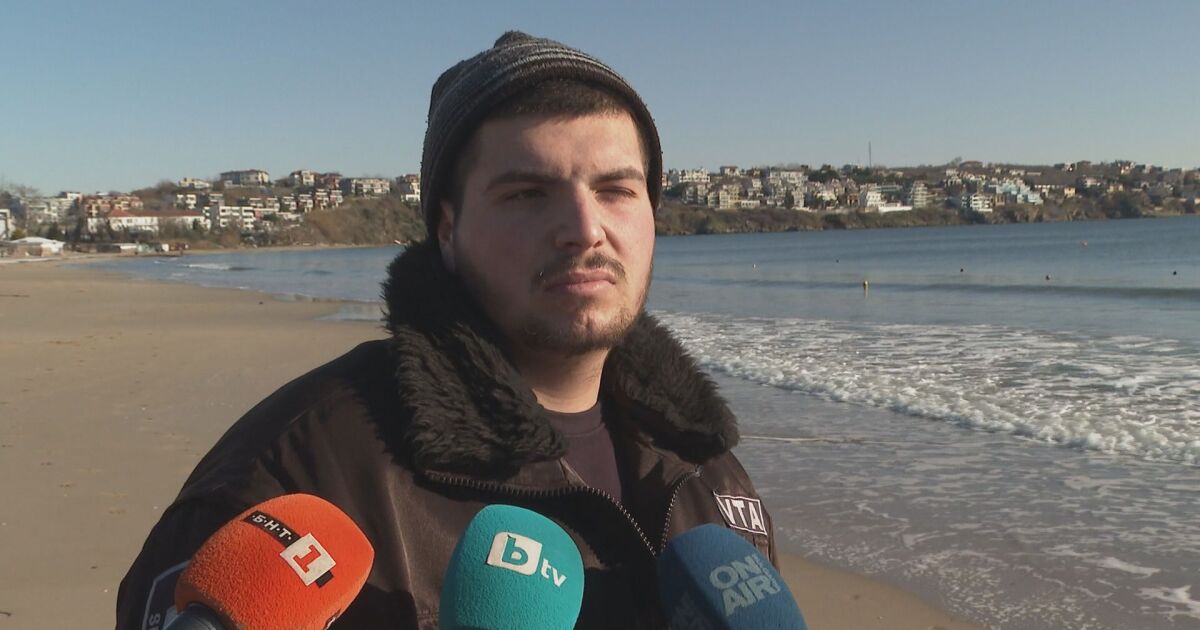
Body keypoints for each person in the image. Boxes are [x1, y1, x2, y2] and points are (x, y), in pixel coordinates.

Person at [117, 31, 776, 629]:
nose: (584, 228)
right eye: (527, 193)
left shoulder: (707, 470)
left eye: (616, 190)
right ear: (448, 231)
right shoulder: (297, 474)